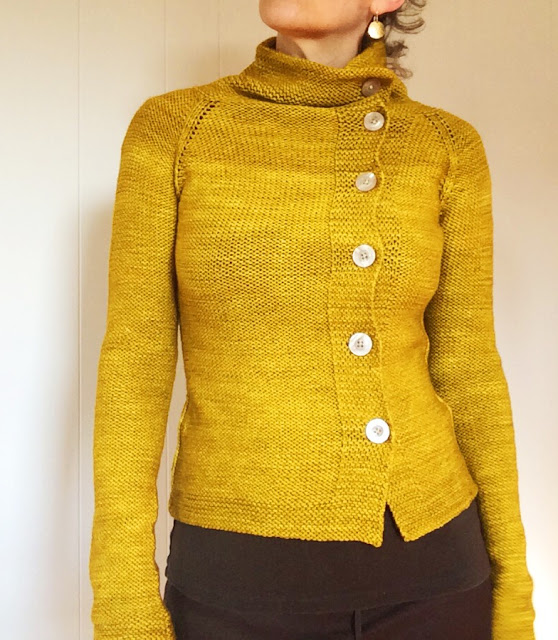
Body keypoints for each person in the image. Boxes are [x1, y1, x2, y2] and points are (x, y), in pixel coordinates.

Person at [88, 1, 536, 639]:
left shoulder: (445, 146)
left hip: (436, 575)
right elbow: (135, 364)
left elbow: (469, 371)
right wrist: (123, 602)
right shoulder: (177, 129)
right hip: (236, 580)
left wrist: (514, 590)